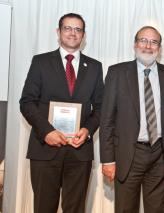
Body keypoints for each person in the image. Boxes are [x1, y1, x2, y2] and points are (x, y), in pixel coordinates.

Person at [20, 13, 104, 213]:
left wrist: (87, 130)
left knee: (75, 209)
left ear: (84, 35)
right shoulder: (40, 62)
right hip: (44, 150)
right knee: (43, 208)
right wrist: (47, 131)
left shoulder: (94, 66)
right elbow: (27, 102)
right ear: (58, 32)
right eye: (68, 28)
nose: (73, 33)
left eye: (78, 29)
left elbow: (101, 107)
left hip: (79, 150)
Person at [99, 26, 164, 213]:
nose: (148, 46)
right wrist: (107, 160)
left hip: (161, 155)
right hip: (129, 154)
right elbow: (106, 120)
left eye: (154, 42)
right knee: (125, 209)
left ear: (159, 48)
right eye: (143, 40)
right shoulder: (116, 73)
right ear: (135, 44)